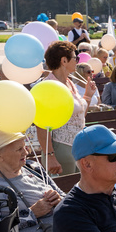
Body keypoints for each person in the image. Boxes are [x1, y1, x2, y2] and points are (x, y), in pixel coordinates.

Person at [38, 41, 96, 175]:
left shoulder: (70, 83)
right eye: (75, 58)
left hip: (78, 146)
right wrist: (49, 155)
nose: (77, 61)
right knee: (64, 189)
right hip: (60, 147)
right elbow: (41, 124)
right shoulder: (50, 86)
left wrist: (87, 95)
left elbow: (78, 116)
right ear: (64, 60)